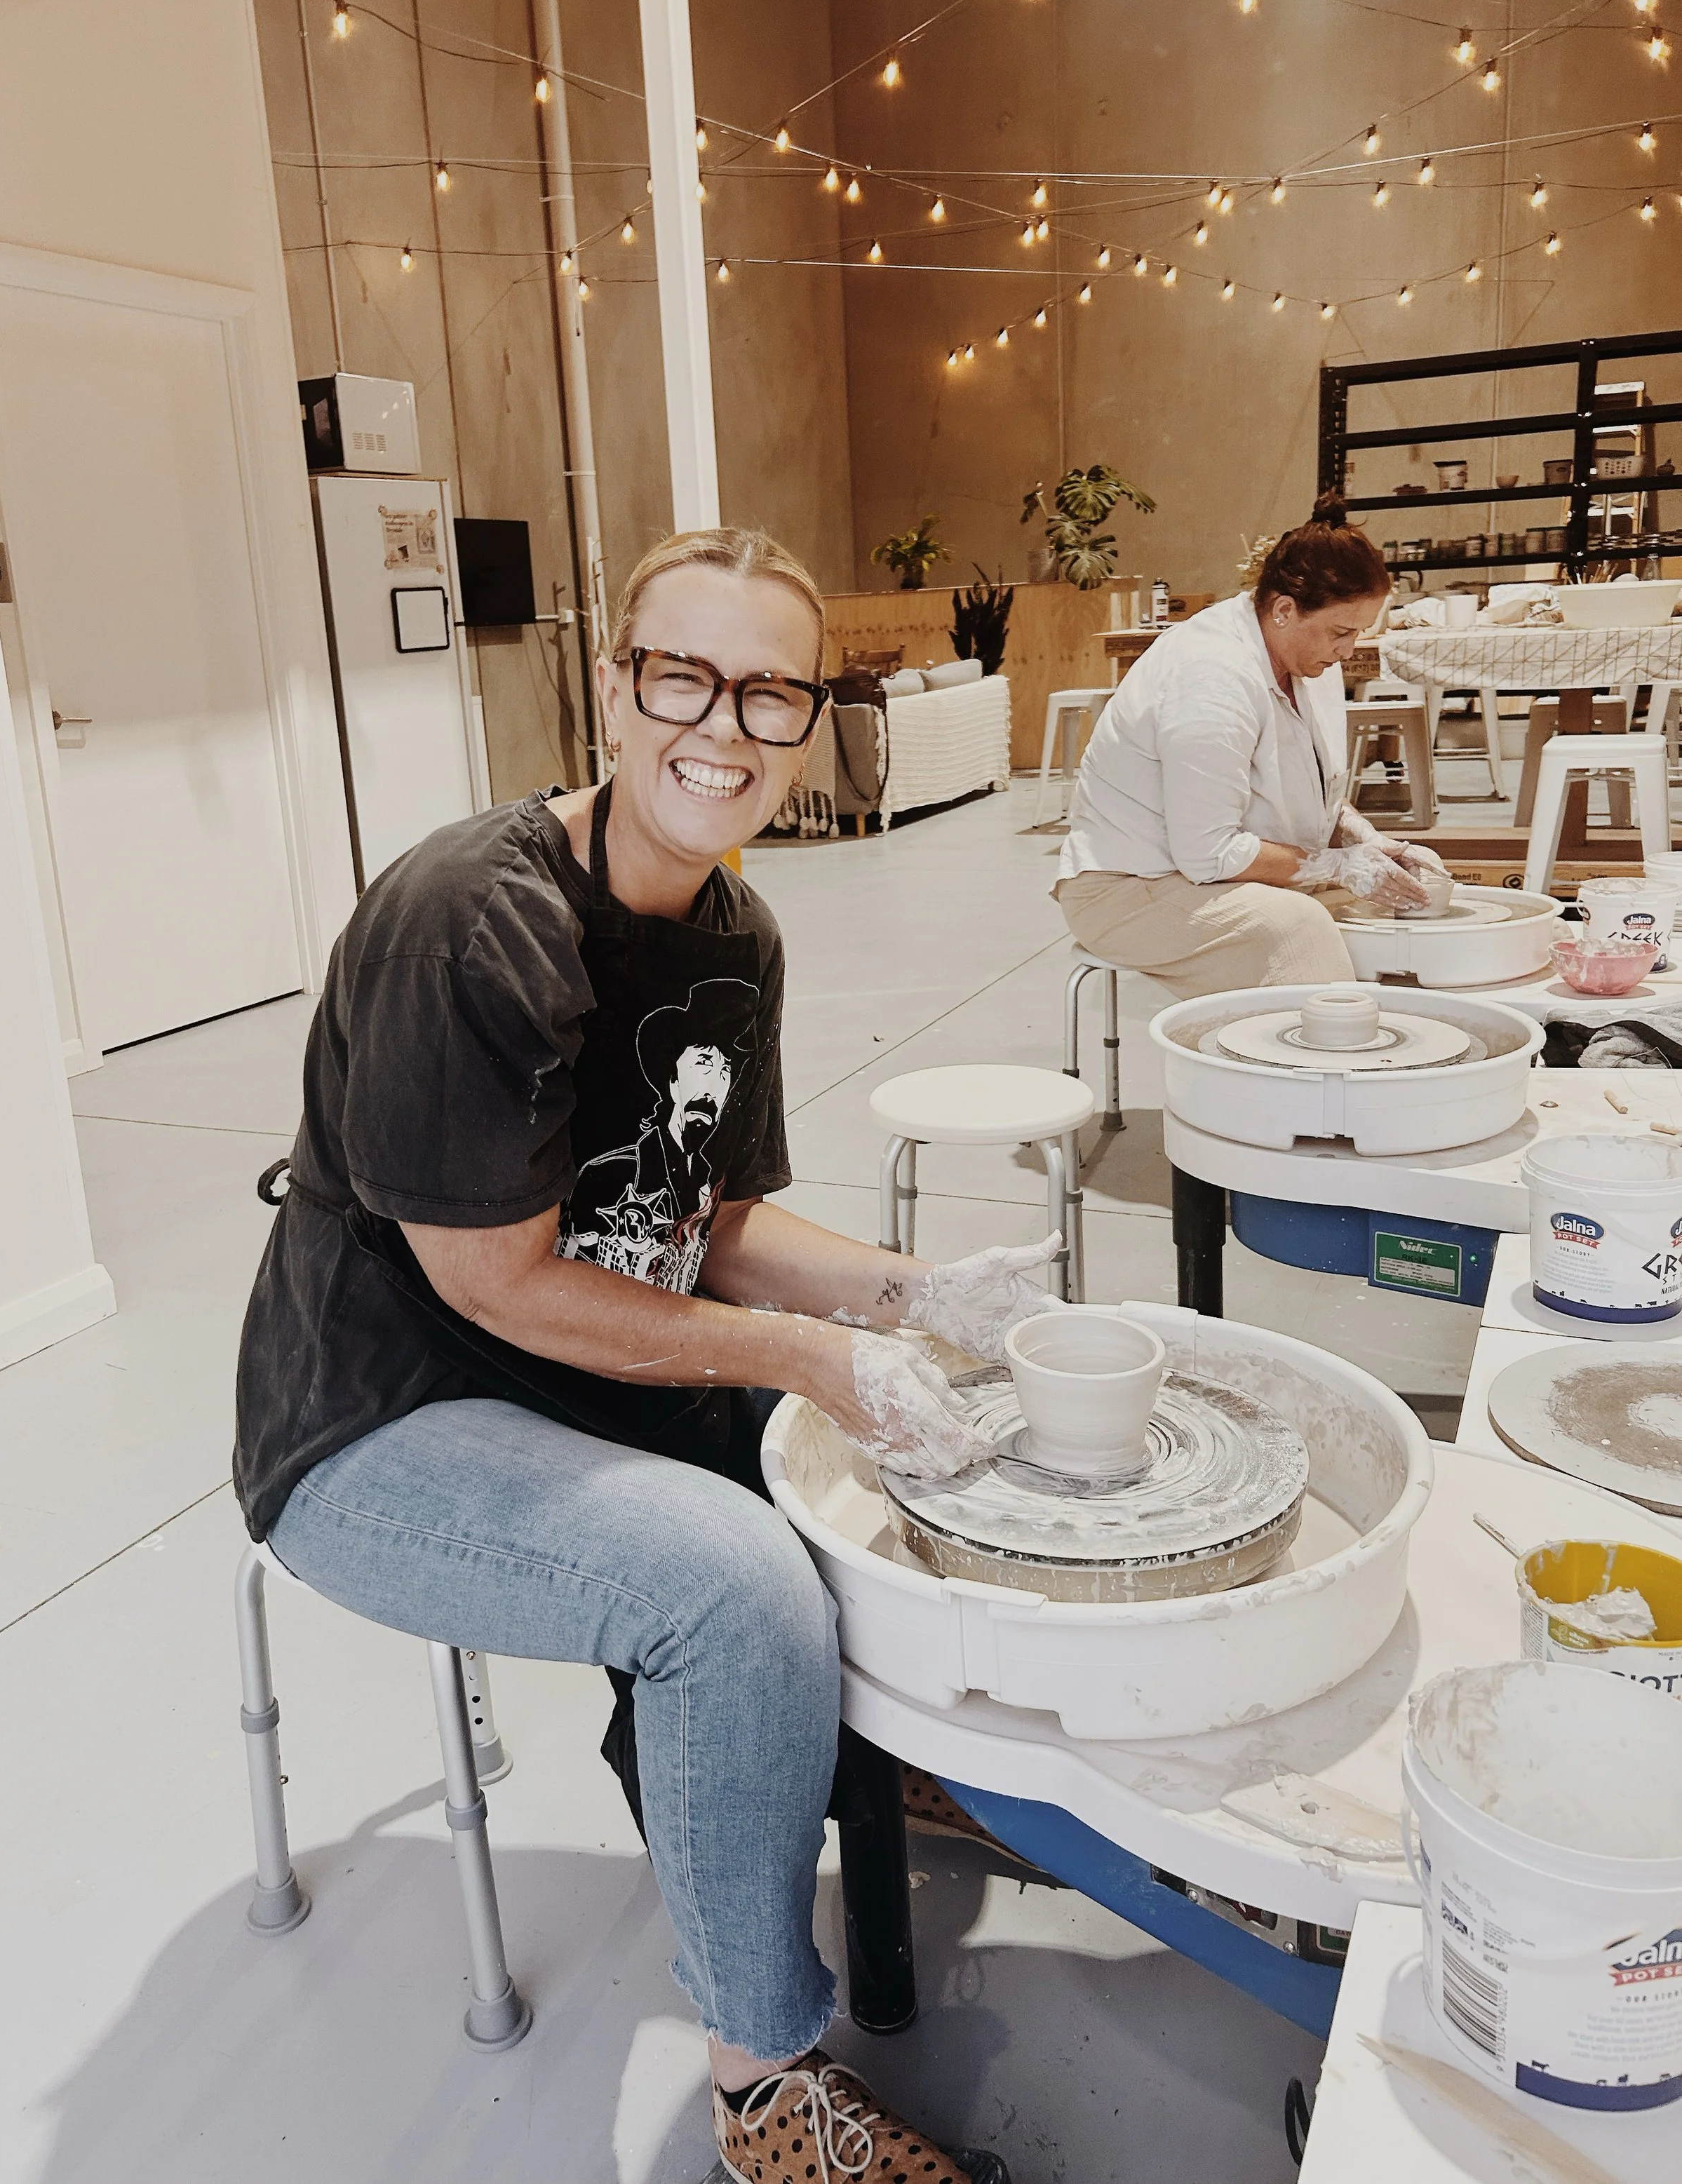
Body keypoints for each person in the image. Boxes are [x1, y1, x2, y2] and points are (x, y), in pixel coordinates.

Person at [235, 527, 1053, 2184]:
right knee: (730, 1582)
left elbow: (714, 1221)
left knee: (903, 1455)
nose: (725, 727)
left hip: (575, 1365)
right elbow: (497, 1285)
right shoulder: (471, 920)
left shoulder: (733, 937)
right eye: (684, 674)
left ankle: (849, 1759)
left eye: (769, 692)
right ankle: (762, 2089)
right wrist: (806, 1360)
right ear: (612, 685)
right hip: (385, 1417)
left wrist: (917, 1300)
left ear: (809, 719)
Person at [1054, 506, 1448, 995]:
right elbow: (1208, 853)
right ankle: (1310, 1067)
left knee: (1384, 922)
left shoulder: (1307, 660)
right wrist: (1341, 866)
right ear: (1283, 609)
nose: (1349, 650)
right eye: (1341, 632)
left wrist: (1364, 840)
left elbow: (1303, 783)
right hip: (1129, 887)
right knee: (1298, 931)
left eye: (1358, 633)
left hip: (1211, 871)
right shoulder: (1211, 675)